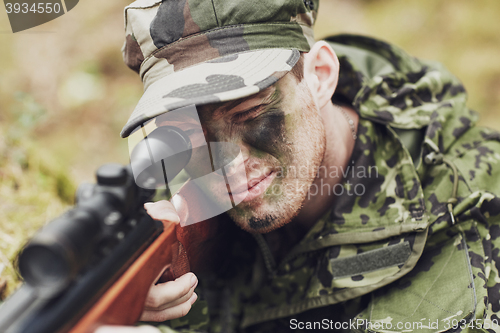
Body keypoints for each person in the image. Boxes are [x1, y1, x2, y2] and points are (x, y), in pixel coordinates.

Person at [97, 0, 500, 332]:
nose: (228, 163)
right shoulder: (178, 193)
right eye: (190, 132)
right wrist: (137, 299)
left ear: (319, 76)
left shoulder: (466, 230)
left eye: (251, 113)